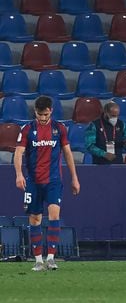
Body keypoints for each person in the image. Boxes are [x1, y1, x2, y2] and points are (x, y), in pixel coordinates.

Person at [13, 96, 80, 271]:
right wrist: (19, 174)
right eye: (39, 114)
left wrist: (74, 177)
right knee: (35, 219)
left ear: (51, 111)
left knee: (54, 215)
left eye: (45, 114)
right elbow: (18, 153)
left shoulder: (59, 128)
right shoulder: (27, 129)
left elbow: (67, 153)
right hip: (33, 182)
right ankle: (38, 260)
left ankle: (50, 257)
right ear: (35, 112)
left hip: (54, 181)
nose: (42, 118)